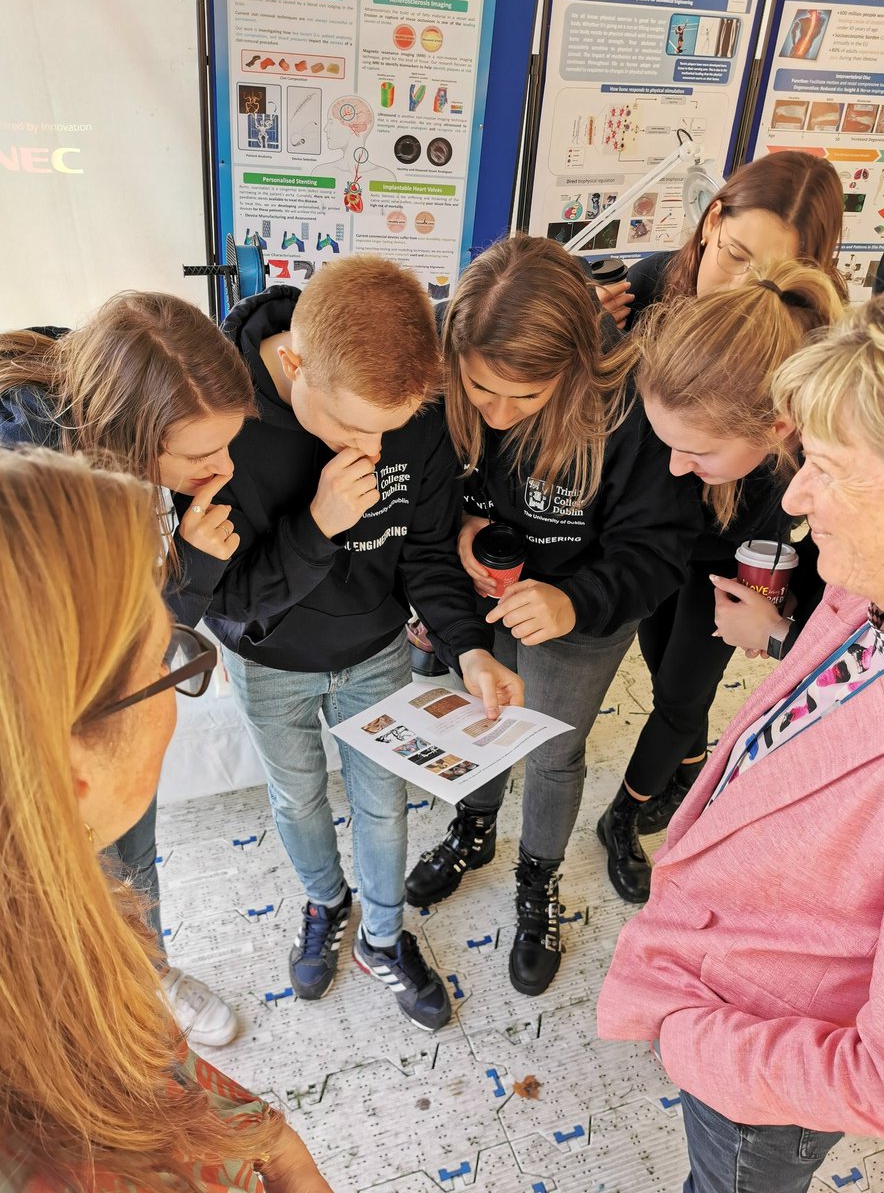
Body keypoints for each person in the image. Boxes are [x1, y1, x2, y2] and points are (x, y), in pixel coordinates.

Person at [597, 289, 884, 1193]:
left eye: (832, 469)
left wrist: (691, 1040)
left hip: (762, 1062)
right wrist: (777, 639)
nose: (796, 496)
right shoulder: (866, 589)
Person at [200, 256, 523, 1032]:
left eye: (388, 428)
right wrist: (317, 526)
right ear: (293, 361)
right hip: (270, 654)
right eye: (348, 425)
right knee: (298, 795)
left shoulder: (413, 411)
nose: (370, 448)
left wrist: (467, 647)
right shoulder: (216, 415)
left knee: (383, 805)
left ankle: (382, 936)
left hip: (376, 647)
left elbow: (426, 549)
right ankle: (325, 903)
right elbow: (225, 595)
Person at [0, 447, 330, 1192]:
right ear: (66, 775)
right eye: (171, 664)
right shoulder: (55, 1167)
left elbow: (156, 1067)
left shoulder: (56, 917)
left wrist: (261, 1130)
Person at [403, 234, 703, 995]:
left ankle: (538, 879)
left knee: (552, 751)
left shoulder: (633, 403)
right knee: (479, 722)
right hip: (479, 590)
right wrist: (458, 531)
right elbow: (423, 504)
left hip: (585, 610)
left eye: (525, 398)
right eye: (480, 390)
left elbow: (659, 550)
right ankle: (474, 833)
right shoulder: (441, 377)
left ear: (574, 368)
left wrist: (575, 600)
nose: (497, 414)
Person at [0, 292, 253, 1045]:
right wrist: (194, 570)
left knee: (128, 847)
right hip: (40, 722)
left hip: (91, 703)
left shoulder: (101, 398)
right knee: (58, 896)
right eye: (200, 456)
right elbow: (115, 649)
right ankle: (98, 1006)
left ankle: (148, 969)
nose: (224, 468)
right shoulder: (31, 482)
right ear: (129, 437)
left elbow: (129, 645)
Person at [596, 260, 844, 902]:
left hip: (740, 573)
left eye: (697, 453)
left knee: (680, 696)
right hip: (672, 555)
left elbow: (849, 624)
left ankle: (624, 811)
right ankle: (686, 765)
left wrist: (782, 630)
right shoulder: (688, 417)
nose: (675, 465)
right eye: (665, 444)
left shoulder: (825, 483)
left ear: (777, 431)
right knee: (662, 667)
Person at [594, 150, 843, 329]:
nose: (737, 289)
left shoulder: (816, 340)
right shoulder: (647, 286)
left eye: (770, 278)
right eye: (735, 255)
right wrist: (592, 341)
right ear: (712, 221)